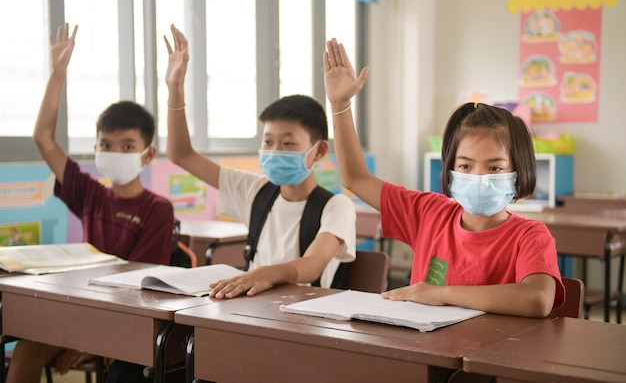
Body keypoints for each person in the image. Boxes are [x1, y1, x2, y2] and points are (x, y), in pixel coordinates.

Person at [323, 38, 564, 319]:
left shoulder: (530, 236)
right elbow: (355, 178)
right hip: (427, 352)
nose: (479, 177)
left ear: (519, 172)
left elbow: (537, 299)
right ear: (449, 168)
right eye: (465, 166)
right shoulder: (429, 215)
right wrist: (340, 105)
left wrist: (440, 293)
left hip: (488, 359)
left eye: (495, 168)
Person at [7, 24, 175, 383]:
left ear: (147, 155)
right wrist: (57, 73)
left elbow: (144, 287)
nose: (115, 152)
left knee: (120, 371)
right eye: (106, 144)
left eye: (127, 146)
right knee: (23, 352)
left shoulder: (157, 209)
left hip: (128, 319)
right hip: (83, 309)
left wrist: (95, 343)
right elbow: (42, 138)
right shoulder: (90, 192)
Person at [164, 25, 356, 299]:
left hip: (305, 320)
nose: (275, 151)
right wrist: (175, 88)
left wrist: (265, 273)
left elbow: (313, 266)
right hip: (252, 309)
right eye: (268, 142)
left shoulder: (337, 206)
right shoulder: (255, 190)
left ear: (319, 150)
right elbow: (181, 154)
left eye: (288, 143)